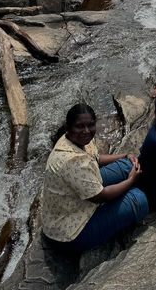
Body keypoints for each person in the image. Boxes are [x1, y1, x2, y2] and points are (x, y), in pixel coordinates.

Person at [41, 103, 148, 252]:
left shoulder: (76, 140)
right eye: (80, 126)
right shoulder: (71, 161)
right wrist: (130, 181)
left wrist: (124, 155)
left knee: (127, 164)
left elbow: (96, 158)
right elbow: (101, 196)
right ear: (68, 127)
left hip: (80, 196)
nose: (86, 131)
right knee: (138, 199)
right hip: (69, 233)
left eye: (90, 125)